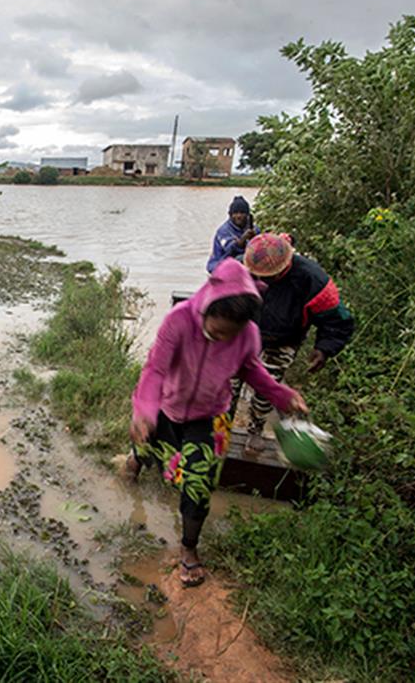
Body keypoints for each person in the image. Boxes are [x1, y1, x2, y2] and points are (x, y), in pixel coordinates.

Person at [125, 259, 309, 587]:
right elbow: (155, 370)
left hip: (209, 415)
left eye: (230, 334)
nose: (221, 338)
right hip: (166, 406)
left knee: (199, 482)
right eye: (217, 329)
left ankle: (189, 548)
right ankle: (135, 461)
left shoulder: (247, 334)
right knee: (146, 440)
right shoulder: (178, 321)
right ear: (207, 307)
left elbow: (252, 369)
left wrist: (282, 395)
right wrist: (144, 410)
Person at [236, 233, 354, 450]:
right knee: (228, 383)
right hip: (242, 333)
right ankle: (218, 429)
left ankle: (255, 428)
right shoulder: (242, 269)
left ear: (285, 266)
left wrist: (324, 348)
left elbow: (337, 320)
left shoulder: (312, 279)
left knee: (267, 387)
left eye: (269, 278)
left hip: (283, 338)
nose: (264, 282)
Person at [206, 195, 257, 273]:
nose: (239, 216)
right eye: (235, 213)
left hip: (243, 263)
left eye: (242, 213)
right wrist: (242, 239)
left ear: (247, 215)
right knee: (240, 260)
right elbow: (230, 249)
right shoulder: (224, 231)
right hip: (220, 264)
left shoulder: (254, 229)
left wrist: (255, 239)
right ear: (230, 215)